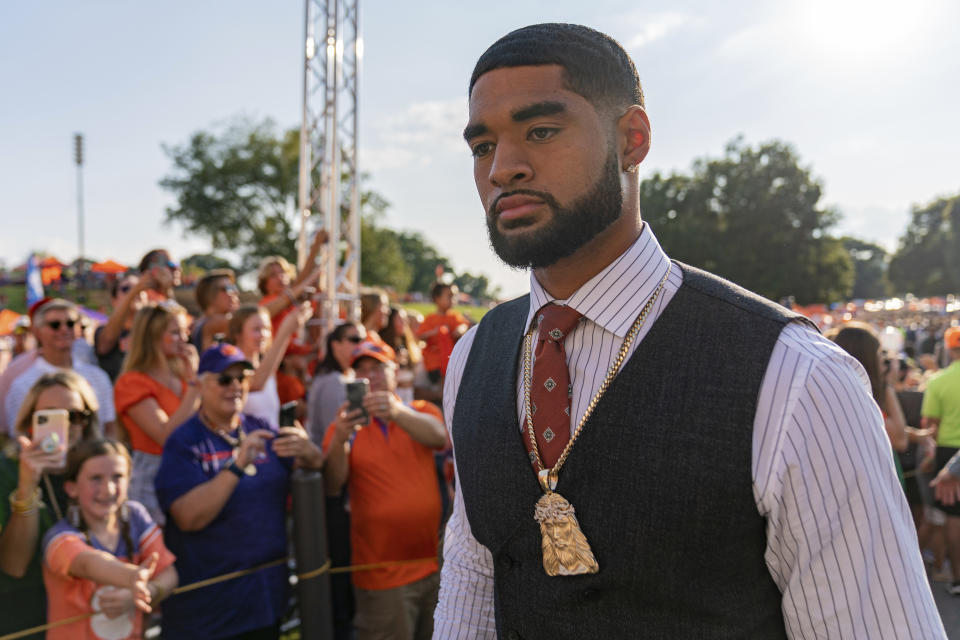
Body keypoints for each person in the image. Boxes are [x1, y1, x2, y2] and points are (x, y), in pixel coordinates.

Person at [434, 24, 944, 639]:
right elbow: (473, 574)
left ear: (632, 139)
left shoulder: (798, 379)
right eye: (482, 146)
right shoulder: (474, 356)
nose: (503, 169)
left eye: (541, 131)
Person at [154, 342, 323, 639]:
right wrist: (237, 465)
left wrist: (310, 453)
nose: (235, 386)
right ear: (201, 385)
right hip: (206, 614)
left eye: (242, 379)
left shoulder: (262, 428)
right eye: (224, 379)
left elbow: (318, 474)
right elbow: (188, 517)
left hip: (263, 603)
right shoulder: (184, 442)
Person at [324, 342, 447, 640]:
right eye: (362, 370)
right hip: (382, 575)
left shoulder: (418, 410)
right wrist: (341, 439)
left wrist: (396, 413)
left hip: (434, 567)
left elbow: (439, 437)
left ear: (395, 372)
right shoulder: (344, 424)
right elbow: (333, 483)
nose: (371, 376)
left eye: (378, 367)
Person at [41, 438, 178, 640]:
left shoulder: (135, 517)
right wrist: (132, 577)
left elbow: (169, 574)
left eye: (117, 477)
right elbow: (88, 564)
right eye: (96, 478)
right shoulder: (59, 538)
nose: (108, 489)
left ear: (130, 479)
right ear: (72, 488)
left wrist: (144, 591)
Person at [0, 370, 102, 636]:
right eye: (50, 416)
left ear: (87, 423)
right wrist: (27, 485)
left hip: (89, 615)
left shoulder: (101, 470)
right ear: (30, 421)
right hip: (28, 620)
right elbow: (14, 566)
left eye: (75, 416)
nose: (66, 425)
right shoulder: (7, 470)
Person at [113, 302, 200, 524]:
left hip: (191, 466)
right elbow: (164, 435)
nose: (184, 338)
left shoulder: (181, 375)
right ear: (152, 337)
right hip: (153, 474)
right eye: (175, 332)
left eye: (185, 331)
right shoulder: (132, 382)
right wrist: (194, 386)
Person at [4, 299, 117, 439]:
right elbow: (18, 435)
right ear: (37, 332)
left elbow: (110, 429)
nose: (64, 329)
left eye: (70, 323)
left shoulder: (98, 376)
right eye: (55, 325)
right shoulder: (22, 384)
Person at [228, 302, 312, 428]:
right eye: (256, 329)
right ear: (237, 333)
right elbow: (256, 384)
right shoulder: (231, 365)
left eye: (266, 329)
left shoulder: (266, 367)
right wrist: (285, 331)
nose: (263, 335)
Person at [922, 325, 960, 595]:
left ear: (948, 349)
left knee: (952, 518)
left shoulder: (937, 381)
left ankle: (958, 579)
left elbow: (930, 427)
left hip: (948, 452)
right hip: (951, 456)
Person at [256, 230, 326, 336]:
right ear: (264, 282)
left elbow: (301, 279)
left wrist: (316, 246)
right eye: (273, 275)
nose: (281, 277)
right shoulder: (263, 305)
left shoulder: (293, 298)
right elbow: (291, 294)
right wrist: (311, 278)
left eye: (283, 272)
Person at [95, 274, 149, 382]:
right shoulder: (103, 330)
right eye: (126, 289)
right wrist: (135, 291)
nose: (135, 292)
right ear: (114, 300)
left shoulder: (152, 331)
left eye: (139, 289)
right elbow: (106, 343)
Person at [416, 283, 470, 386]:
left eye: (454, 296)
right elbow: (420, 335)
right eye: (449, 296)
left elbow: (463, 326)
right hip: (434, 363)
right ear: (437, 298)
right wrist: (433, 332)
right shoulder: (430, 318)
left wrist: (460, 330)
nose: (453, 299)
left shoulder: (454, 316)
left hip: (452, 361)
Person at [190, 269, 240, 352]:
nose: (235, 292)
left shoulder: (203, 321)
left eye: (234, 287)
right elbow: (249, 319)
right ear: (209, 295)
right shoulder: (212, 323)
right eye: (228, 288)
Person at [359, 289, 396, 362]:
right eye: (385, 306)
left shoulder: (374, 337)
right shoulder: (362, 339)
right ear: (373, 308)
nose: (388, 311)